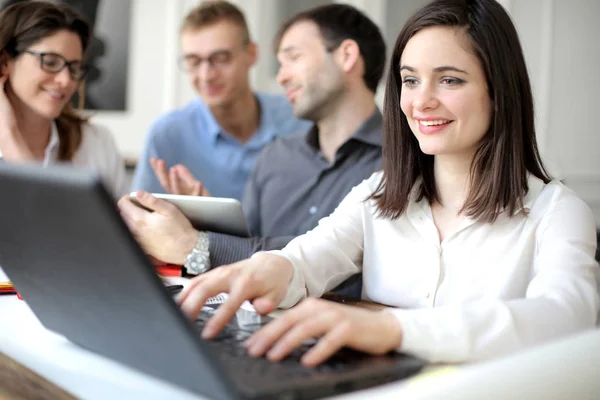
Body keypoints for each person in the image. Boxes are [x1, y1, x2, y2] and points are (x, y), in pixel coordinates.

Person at [171, 0, 599, 367]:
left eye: (449, 79)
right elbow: (309, 258)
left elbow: (566, 316)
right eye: (410, 80)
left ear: (499, 91)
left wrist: (391, 327)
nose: (420, 100)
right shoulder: (377, 192)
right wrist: (272, 267)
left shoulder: (557, 211)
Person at [119, 4, 387, 297]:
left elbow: (338, 261)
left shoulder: (402, 165)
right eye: (193, 61)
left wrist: (198, 243)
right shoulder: (274, 157)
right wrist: (205, 226)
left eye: (293, 58)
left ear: (346, 56)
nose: (282, 77)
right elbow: (244, 253)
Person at [131, 1, 310, 200]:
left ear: (251, 54)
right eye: (193, 61)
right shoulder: (167, 136)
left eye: (220, 58)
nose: (206, 75)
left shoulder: (299, 119)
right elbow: (140, 222)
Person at [0, 0, 127, 198]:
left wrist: (9, 137)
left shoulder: (96, 142)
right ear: (4, 63)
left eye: (74, 68)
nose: (66, 80)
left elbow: (118, 228)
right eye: (50, 62)